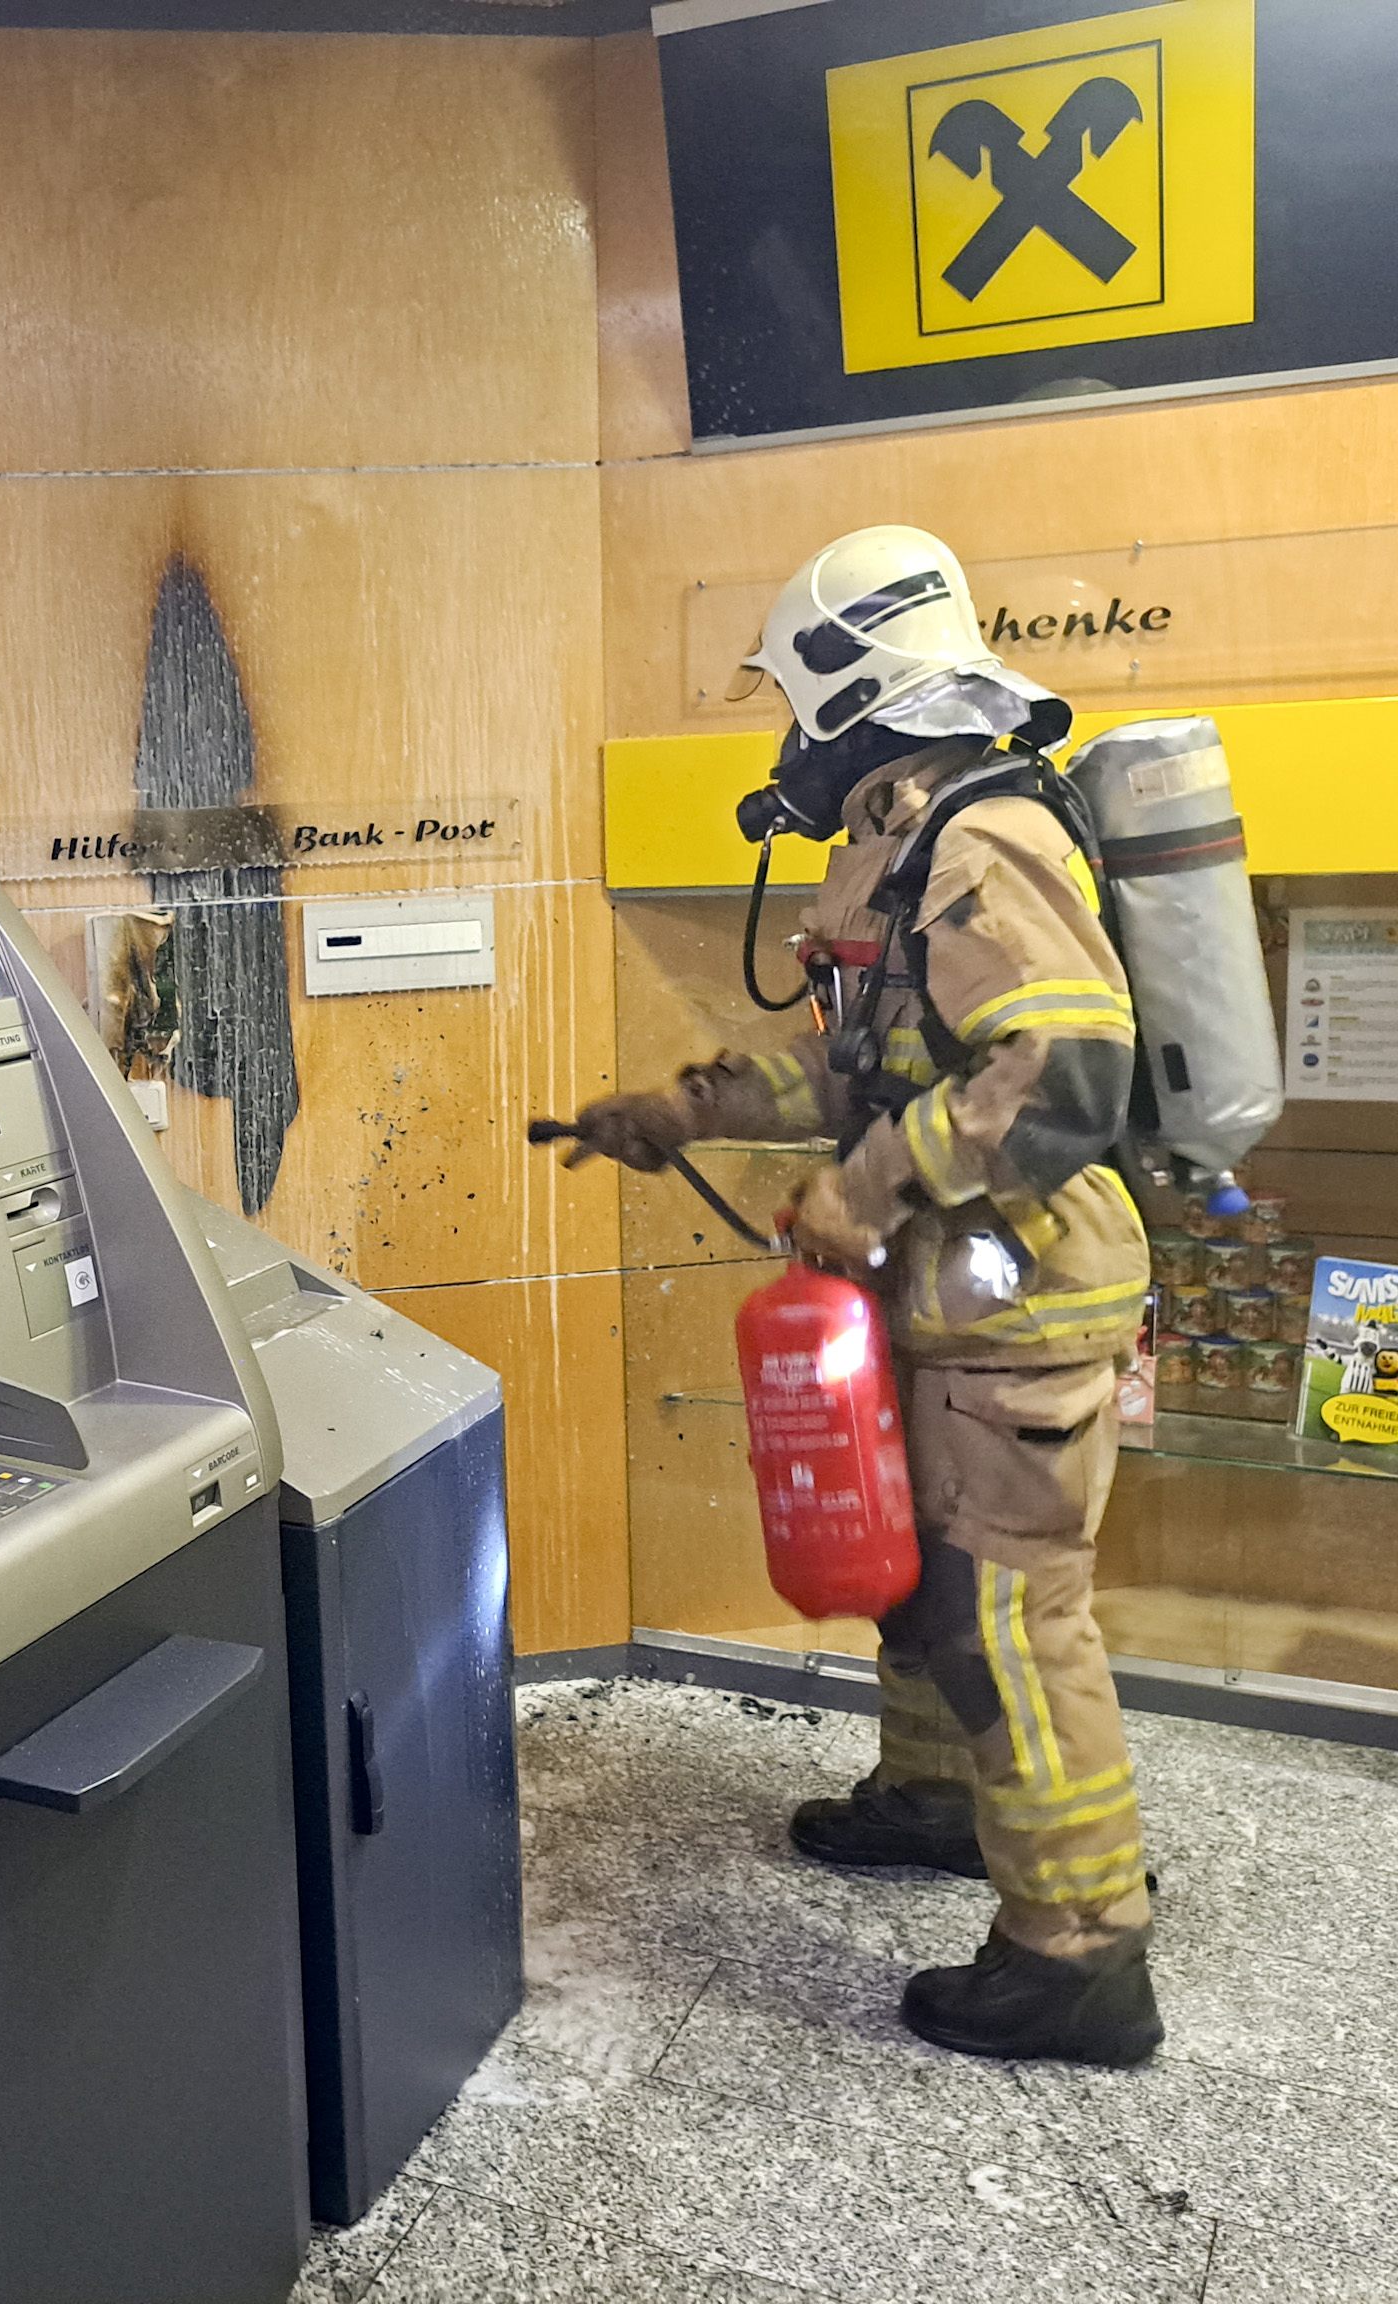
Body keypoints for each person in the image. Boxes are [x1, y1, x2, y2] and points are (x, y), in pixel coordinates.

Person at [560, 525, 1160, 2067]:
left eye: (791, 699)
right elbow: (866, 1059)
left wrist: (862, 1190)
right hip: (947, 1300)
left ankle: (1079, 1954)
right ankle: (939, 1801)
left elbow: (1065, 1075)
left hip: (1015, 1300)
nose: (785, 738)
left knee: (1011, 1621)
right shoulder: (910, 840)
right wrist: (688, 1104)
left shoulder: (985, 841)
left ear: (851, 684)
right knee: (927, 1586)